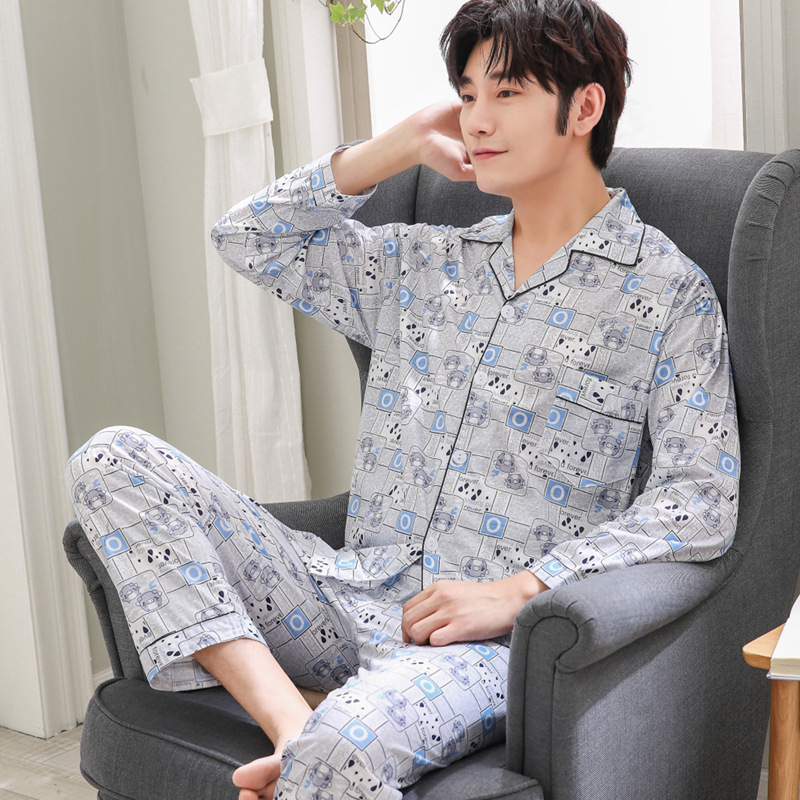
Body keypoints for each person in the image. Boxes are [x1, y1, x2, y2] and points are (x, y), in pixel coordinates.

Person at [66, 1, 739, 799]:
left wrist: (521, 590)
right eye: (466, 94)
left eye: (507, 92)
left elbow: (700, 500)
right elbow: (248, 238)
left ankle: (321, 739)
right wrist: (403, 143)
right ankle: (290, 721)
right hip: (344, 592)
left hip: (478, 647)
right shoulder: (422, 265)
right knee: (111, 458)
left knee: (343, 749)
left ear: (584, 106)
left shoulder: (666, 294)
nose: (477, 119)